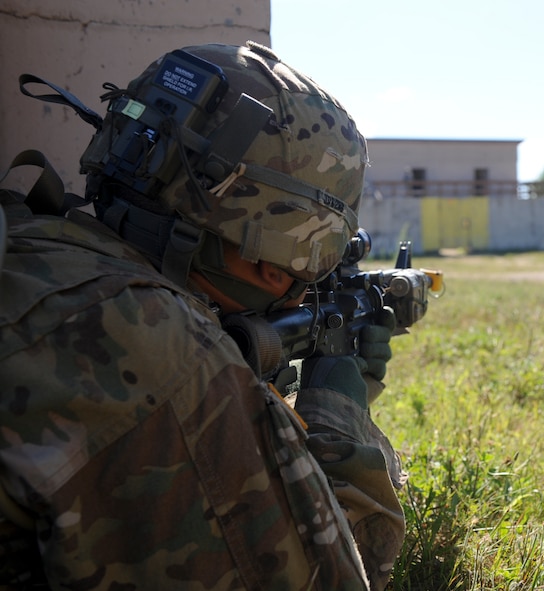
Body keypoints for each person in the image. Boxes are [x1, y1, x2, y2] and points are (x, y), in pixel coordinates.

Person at [0, 41, 405, 590]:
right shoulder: (163, 357)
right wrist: (338, 417)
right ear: (275, 263)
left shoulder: (27, 237)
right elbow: (326, 577)